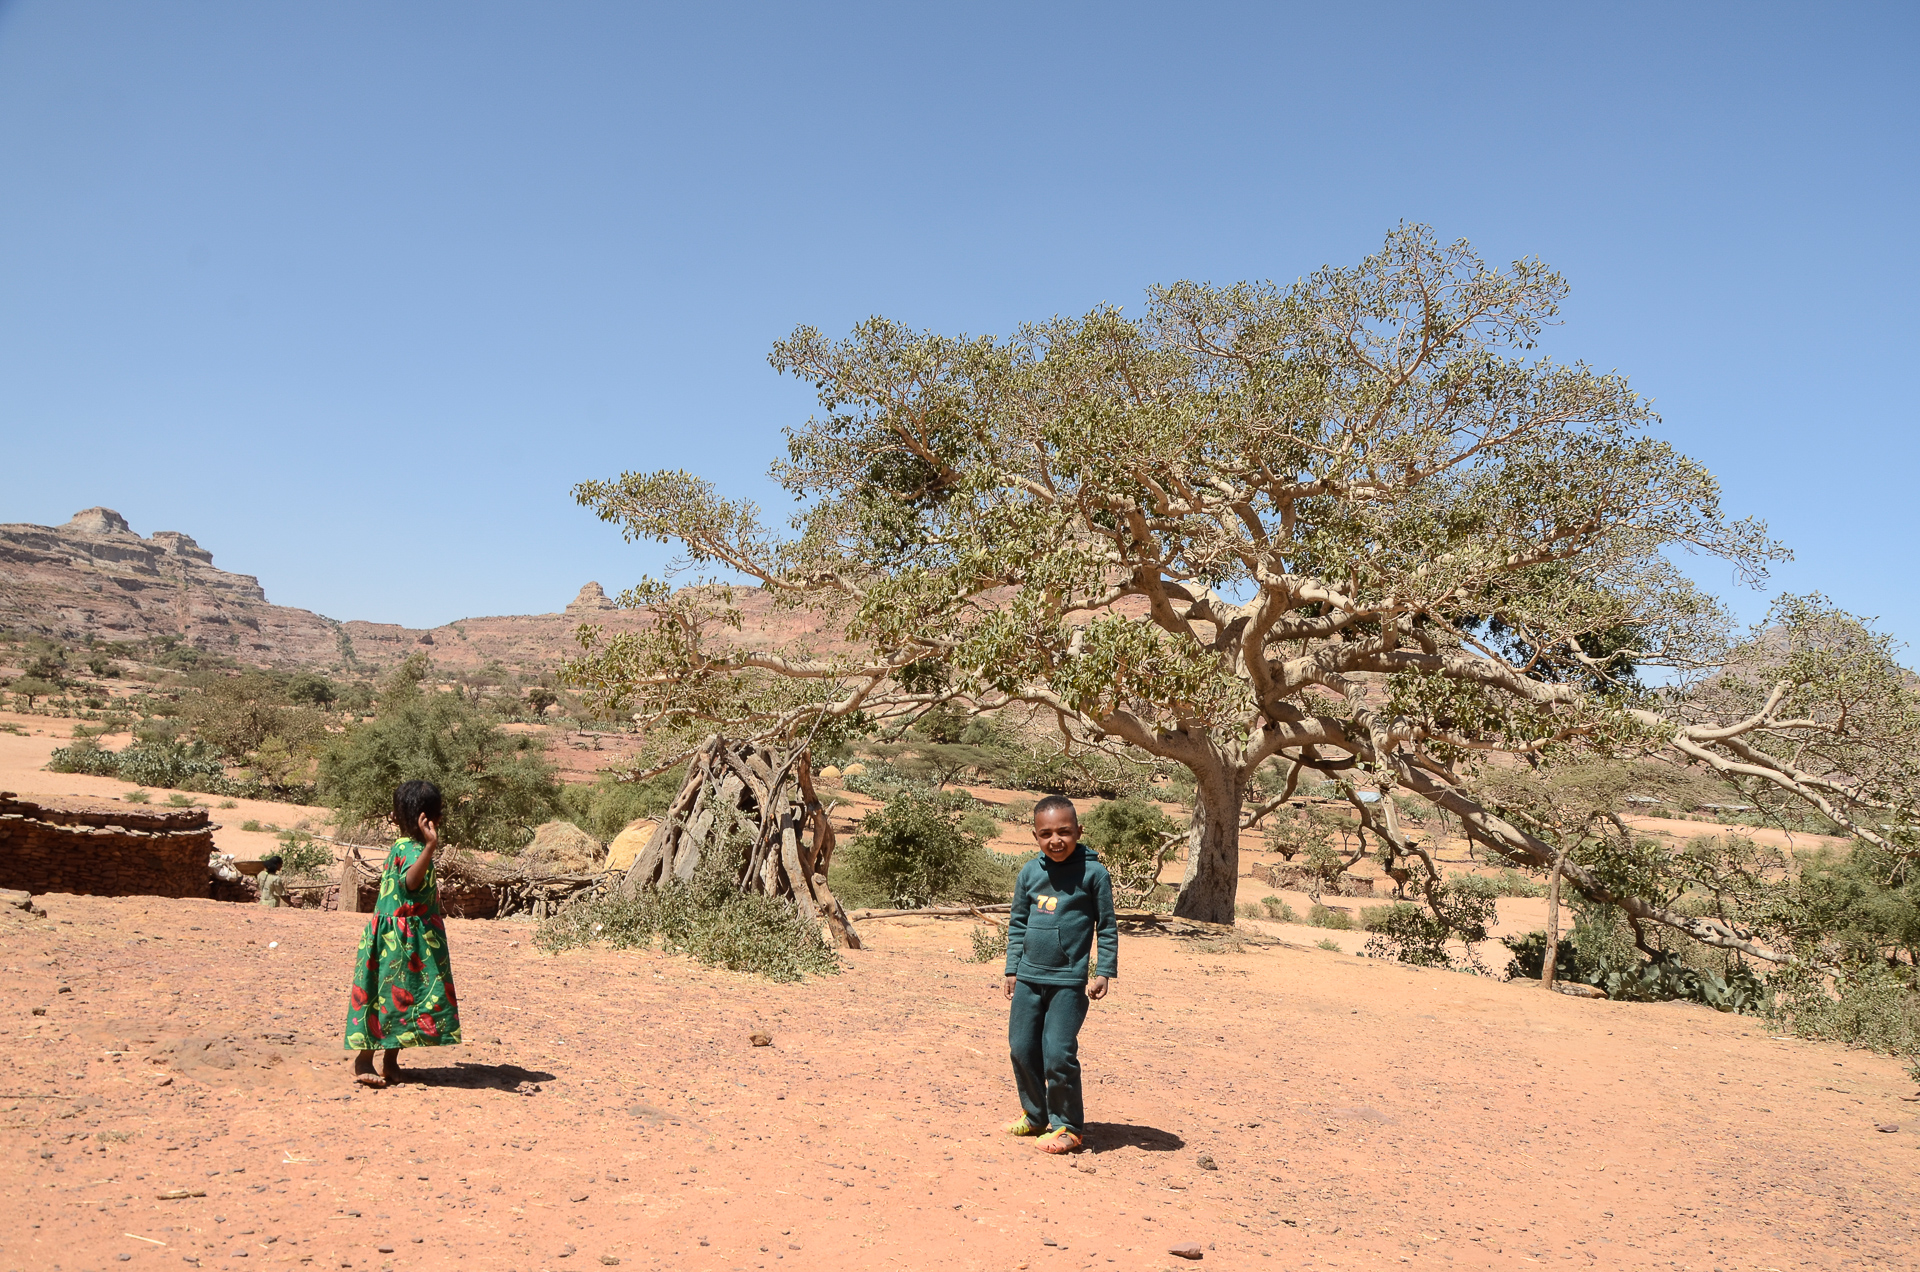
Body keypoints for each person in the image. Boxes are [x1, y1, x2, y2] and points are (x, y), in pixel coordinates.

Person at [1002, 794, 1117, 1154]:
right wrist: (1012, 968)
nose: (1056, 840)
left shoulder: (1093, 873)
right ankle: (1036, 1115)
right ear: (1035, 835)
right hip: (1028, 978)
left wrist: (1104, 971)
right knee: (1021, 1048)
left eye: (1064, 832)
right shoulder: (1030, 873)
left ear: (1079, 831)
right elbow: (1018, 923)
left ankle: (1068, 1126)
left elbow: (1108, 927)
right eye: (1046, 833)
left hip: (1068, 982)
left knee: (1058, 1054)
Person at [343, 780, 461, 1087]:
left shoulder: (408, 846)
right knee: (386, 996)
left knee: (403, 998)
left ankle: (391, 1062)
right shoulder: (410, 849)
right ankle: (364, 1060)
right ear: (426, 817)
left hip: (409, 937)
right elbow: (410, 882)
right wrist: (431, 847)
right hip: (399, 938)